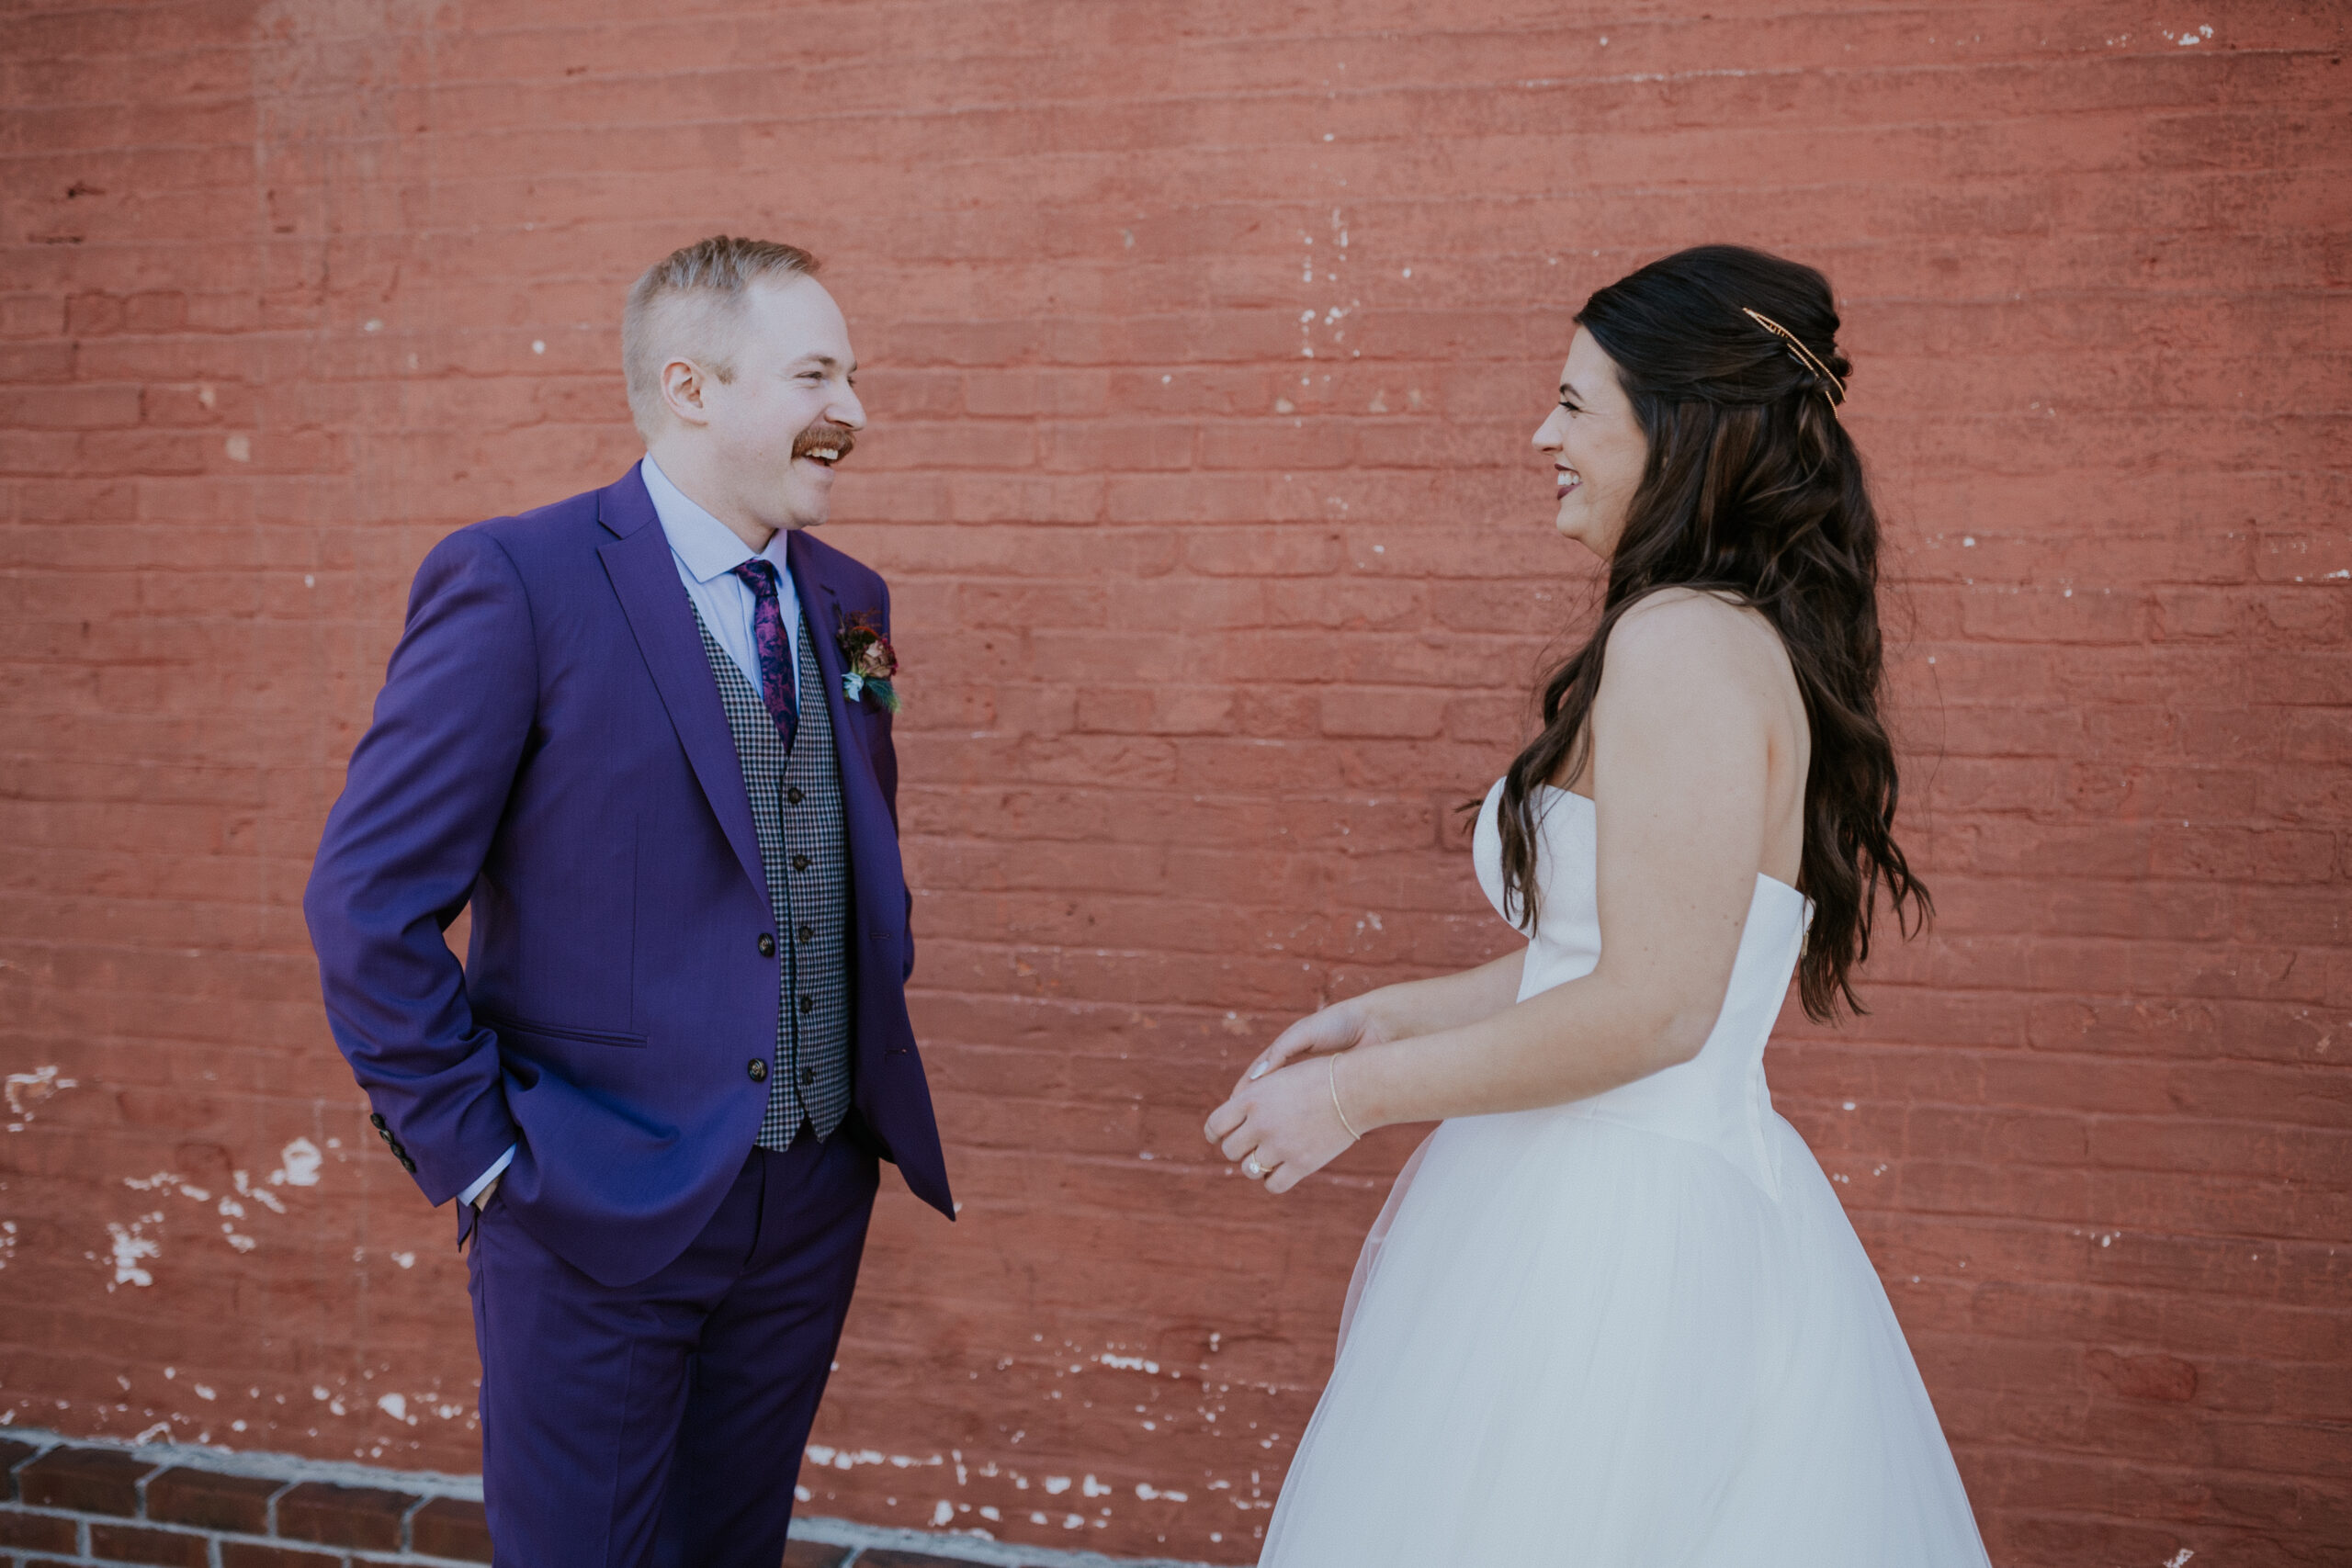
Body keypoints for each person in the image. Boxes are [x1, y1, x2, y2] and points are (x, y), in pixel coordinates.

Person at [1205, 245, 1991, 1566]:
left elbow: (1660, 1007)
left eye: (1574, 403)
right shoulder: (1719, 630)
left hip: (1619, 1234)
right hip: (1589, 1187)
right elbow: (1601, 960)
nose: (1542, 434)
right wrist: (1384, 1021)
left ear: (1677, 423)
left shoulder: (1680, 642)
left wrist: (1354, 1102)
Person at [303, 236, 951, 1567]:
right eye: (816, 375)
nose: (855, 415)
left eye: (856, 377)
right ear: (692, 387)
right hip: (585, 1198)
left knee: (732, 1549)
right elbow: (366, 904)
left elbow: (832, 838)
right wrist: (482, 1156)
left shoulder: (847, 601)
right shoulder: (518, 582)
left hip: (811, 1190)